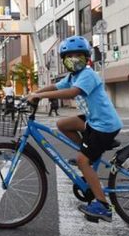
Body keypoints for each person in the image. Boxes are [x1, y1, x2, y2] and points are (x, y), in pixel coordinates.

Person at [28, 36, 121, 222]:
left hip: (104, 125)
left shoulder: (87, 74)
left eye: (79, 55)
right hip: (93, 121)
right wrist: (34, 93)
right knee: (63, 124)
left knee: (82, 161)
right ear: (64, 60)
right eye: (69, 56)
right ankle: (87, 152)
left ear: (86, 58)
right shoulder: (73, 76)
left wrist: (41, 96)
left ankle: (103, 206)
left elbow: (72, 92)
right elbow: (56, 85)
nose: (74, 59)